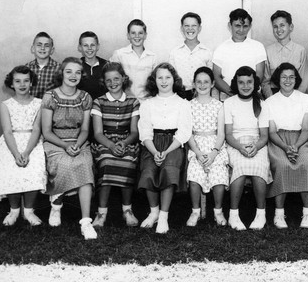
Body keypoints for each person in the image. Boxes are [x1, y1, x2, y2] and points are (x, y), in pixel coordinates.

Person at [0, 66, 47, 226]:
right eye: (17, 81)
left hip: (32, 142)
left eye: (26, 81)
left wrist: (27, 152)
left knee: (33, 169)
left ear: (31, 82)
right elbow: (8, 131)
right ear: (11, 84)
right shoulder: (6, 105)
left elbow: (37, 129)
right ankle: (14, 210)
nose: (22, 84)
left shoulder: (39, 103)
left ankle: (29, 211)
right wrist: (17, 153)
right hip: (11, 144)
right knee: (12, 169)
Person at [41, 57, 97, 240]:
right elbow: (47, 131)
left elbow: (86, 129)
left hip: (78, 141)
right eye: (69, 71)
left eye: (78, 72)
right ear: (62, 73)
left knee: (84, 164)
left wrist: (77, 145)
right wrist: (65, 145)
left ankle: (86, 221)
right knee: (64, 164)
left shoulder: (85, 98)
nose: (74, 76)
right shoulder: (50, 96)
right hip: (55, 142)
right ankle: (56, 206)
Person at [138, 63, 192, 234]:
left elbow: (184, 131)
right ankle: (153, 212)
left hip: (174, 144)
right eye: (159, 77)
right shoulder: (147, 104)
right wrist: (155, 152)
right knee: (148, 171)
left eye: (167, 77)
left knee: (168, 170)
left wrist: (166, 151)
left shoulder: (183, 103)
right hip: (152, 143)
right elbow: (144, 131)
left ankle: (163, 216)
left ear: (174, 79)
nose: (163, 81)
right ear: (154, 80)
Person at [91, 62, 141, 228]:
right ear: (104, 83)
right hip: (105, 142)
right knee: (106, 162)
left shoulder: (133, 102)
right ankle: (101, 212)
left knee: (128, 161)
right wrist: (111, 146)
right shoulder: (99, 102)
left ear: (123, 79)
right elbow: (98, 133)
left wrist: (124, 142)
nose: (113, 83)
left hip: (126, 140)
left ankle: (127, 210)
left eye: (116, 79)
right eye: (108, 80)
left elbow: (134, 132)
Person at [265, 63, 308, 228]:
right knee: (282, 165)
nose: (288, 80)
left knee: (305, 164)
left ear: (296, 79)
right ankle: (279, 214)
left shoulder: (305, 99)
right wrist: (286, 148)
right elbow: (271, 132)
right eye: (284, 77)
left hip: (300, 139)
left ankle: (307, 213)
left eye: (291, 77)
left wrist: (296, 146)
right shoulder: (270, 101)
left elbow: (306, 128)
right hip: (278, 140)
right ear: (278, 79)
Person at [224, 66, 272, 230]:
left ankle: (260, 214)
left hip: (257, 143)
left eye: (249, 82)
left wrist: (255, 147)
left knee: (259, 167)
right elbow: (228, 134)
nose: (245, 86)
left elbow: (264, 136)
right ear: (235, 84)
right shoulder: (229, 103)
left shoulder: (262, 104)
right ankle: (234, 215)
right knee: (240, 166)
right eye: (241, 82)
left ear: (255, 83)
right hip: (236, 143)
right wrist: (240, 147)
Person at [186, 67, 229, 227]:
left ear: (212, 84)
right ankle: (195, 211)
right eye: (199, 82)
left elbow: (221, 134)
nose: (202, 85)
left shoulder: (219, 105)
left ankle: (218, 211)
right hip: (196, 146)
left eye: (206, 82)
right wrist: (197, 152)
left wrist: (213, 153)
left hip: (214, 147)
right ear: (194, 84)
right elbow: (188, 132)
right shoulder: (188, 105)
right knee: (194, 176)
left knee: (218, 175)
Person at [212, 9, 267, 101]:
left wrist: (246, 94)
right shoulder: (221, 48)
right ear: (230, 25)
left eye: (245, 26)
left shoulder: (258, 46)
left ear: (250, 26)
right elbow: (216, 77)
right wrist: (233, 94)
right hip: (228, 97)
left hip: (252, 97)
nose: (241, 30)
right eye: (237, 26)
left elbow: (259, 75)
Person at [262, 10, 308, 98]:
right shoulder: (268, 51)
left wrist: (294, 100)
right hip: (274, 96)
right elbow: (265, 81)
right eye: (275, 26)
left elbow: (304, 80)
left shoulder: (300, 50)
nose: (278, 30)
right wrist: (272, 99)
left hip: (295, 96)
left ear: (291, 27)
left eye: (282, 25)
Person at [169, 12, 213, 100]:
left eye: (194, 25)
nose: (190, 29)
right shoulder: (175, 52)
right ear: (182, 28)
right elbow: (171, 78)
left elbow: (211, 78)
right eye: (186, 26)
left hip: (201, 94)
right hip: (179, 95)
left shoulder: (207, 52)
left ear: (199, 28)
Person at [110, 19, 157, 101]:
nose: (137, 36)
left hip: (147, 101)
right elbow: (112, 78)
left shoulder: (153, 57)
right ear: (128, 35)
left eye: (140, 33)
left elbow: (156, 83)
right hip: (125, 102)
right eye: (133, 33)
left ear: (145, 35)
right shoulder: (119, 54)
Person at [26, 32, 60, 99]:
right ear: (33, 48)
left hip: (50, 107)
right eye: (39, 45)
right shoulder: (26, 68)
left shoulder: (59, 69)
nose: (42, 48)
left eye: (47, 46)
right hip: (29, 107)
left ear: (52, 50)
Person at [77, 31, 108, 100]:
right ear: (80, 47)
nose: (89, 48)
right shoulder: (76, 66)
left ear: (98, 46)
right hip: (81, 107)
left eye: (92, 45)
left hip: (103, 106)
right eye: (85, 45)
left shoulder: (107, 66)